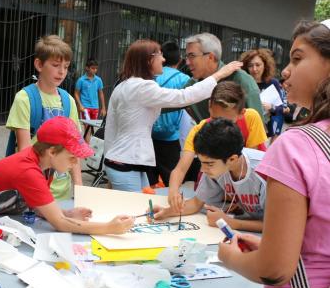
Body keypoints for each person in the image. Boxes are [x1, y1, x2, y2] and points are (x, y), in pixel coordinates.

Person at [218, 20, 330, 288]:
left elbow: (275, 269)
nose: (285, 72)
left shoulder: (298, 144)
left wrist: (231, 258)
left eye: (297, 58)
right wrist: (271, 245)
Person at [103, 39, 242, 193]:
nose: (163, 59)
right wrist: (220, 74)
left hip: (123, 161)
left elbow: (111, 128)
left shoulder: (124, 85)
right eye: (160, 55)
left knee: (139, 207)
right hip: (126, 163)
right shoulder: (142, 87)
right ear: (149, 60)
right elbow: (183, 97)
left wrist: (108, 160)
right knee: (134, 212)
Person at [0, 116, 134, 234]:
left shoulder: (45, 165)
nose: (74, 164)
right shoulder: (29, 171)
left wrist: (65, 212)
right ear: (52, 152)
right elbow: (60, 224)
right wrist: (109, 227)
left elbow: (38, 205)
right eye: (72, 158)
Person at [167, 82, 268, 211]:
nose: (219, 126)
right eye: (215, 119)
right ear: (209, 107)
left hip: (249, 191)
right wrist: (173, 193)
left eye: (227, 121)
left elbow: (247, 163)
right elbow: (181, 169)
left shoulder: (251, 117)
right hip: (219, 185)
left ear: (241, 113)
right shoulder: (201, 130)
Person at [153, 119, 266, 233]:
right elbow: (196, 203)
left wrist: (232, 222)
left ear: (232, 159)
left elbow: (278, 226)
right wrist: (166, 212)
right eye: (201, 162)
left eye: (209, 164)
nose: (202, 169)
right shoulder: (217, 166)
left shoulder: (265, 173)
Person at [6, 35, 82, 201]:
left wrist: (79, 187)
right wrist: (38, 192)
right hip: (32, 189)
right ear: (39, 64)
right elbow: (25, 149)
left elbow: (74, 147)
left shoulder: (68, 101)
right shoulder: (25, 98)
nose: (61, 71)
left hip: (62, 191)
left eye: (66, 66)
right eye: (55, 65)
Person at [183, 33, 264, 122]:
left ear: (210, 57)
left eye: (192, 56)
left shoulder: (240, 79)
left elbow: (257, 126)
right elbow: (171, 103)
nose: (187, 62)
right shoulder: (191, 85)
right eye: (187, 57)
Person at [147, 40, 190, 187]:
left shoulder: (151, 76)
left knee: (150, 180)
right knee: (172, 179)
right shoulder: (184, 80)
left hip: (149, 134)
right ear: (180, 60)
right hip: (170, 138)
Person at [240, 48, 288, 141]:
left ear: (265, 65)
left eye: (258, 65)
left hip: (266, 131)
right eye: (250, 65)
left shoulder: (273, 83)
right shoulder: (243, 82)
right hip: (246, 128)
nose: (254, 69)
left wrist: (271, 107)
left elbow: (283, 108)